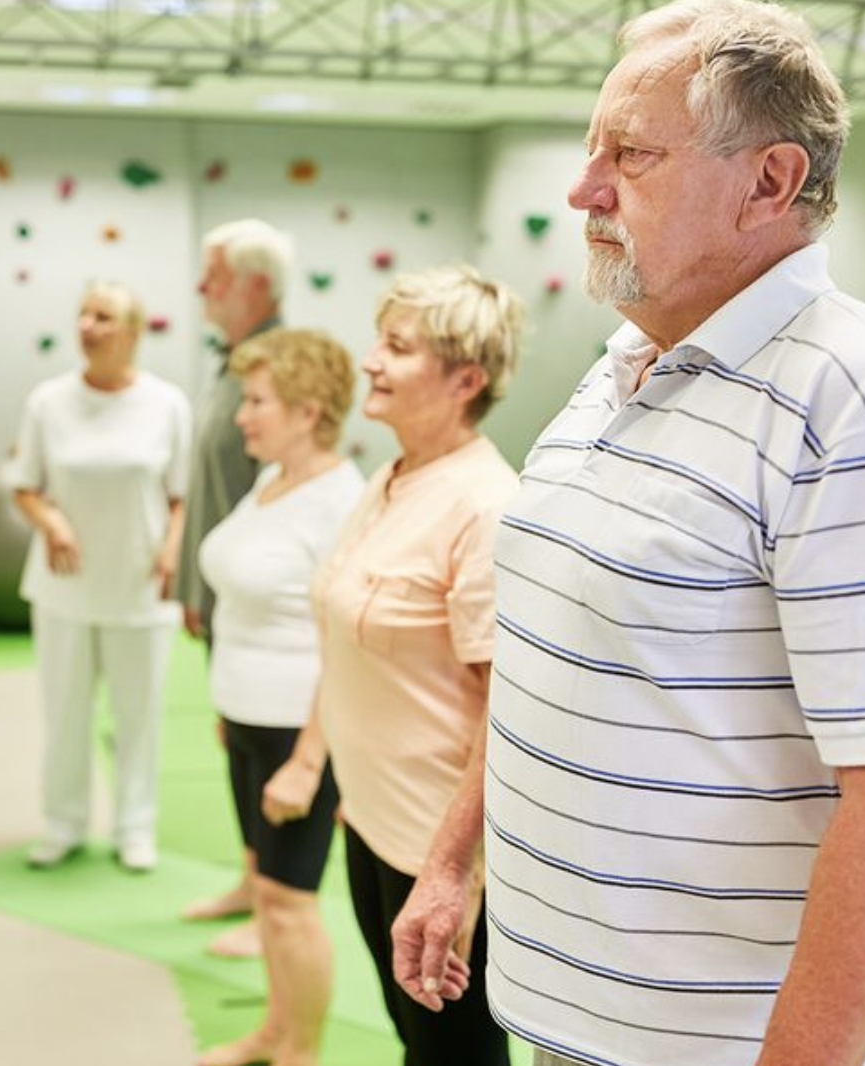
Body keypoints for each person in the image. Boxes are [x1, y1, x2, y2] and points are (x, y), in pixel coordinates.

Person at [389, 3, 865, 1065]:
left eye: (630, 155)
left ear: (768, 183)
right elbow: (561, 657)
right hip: (578, 1016)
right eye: (594, 150)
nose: (584, 189)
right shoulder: (623, 364)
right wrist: (455, 859)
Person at [270, 265, 524, 1065]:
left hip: (439, 851)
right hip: (373, 822)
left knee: (454, 1053)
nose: (370, 360)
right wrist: (321, 767)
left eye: (397, 347)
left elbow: (505, 712)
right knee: (411, 1035)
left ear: (465, 379)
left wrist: (455, 872)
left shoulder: (484, 506)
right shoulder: (391, 478)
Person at [194, 329, 365, 1066]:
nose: (242, 416)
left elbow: (344, 645)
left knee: (292, 909)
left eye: (257, 401)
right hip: (250, 719)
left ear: (307, 410)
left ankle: (302, 1050)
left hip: (301, 733)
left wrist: (305, 759)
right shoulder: (271, 483)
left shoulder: (341, 501)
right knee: (267, 898)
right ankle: (273, 1030)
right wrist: (228, 709)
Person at [11, 282, 191, 873]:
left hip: (139, 586)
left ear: (133, 333)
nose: (87, 326)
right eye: (83, 314)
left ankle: (135, 827)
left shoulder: (167, 405)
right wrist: (52, 522)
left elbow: (180, 496)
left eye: (103, 317)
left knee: (139, 715)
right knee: (63, 712)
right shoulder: (48, 402)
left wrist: (170, 552)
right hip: (64, 584)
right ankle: (62, 823)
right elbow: (25, 487)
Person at [177, 218, 296, 955]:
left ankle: (275, 903)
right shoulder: (232, 362)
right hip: (222, 593)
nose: (200, 289)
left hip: (259, 600)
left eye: (214, 276)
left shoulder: (279, 368)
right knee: (235, 742)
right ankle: (252, 881)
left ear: (256, 285)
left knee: (267, 747)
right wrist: (192, 576)